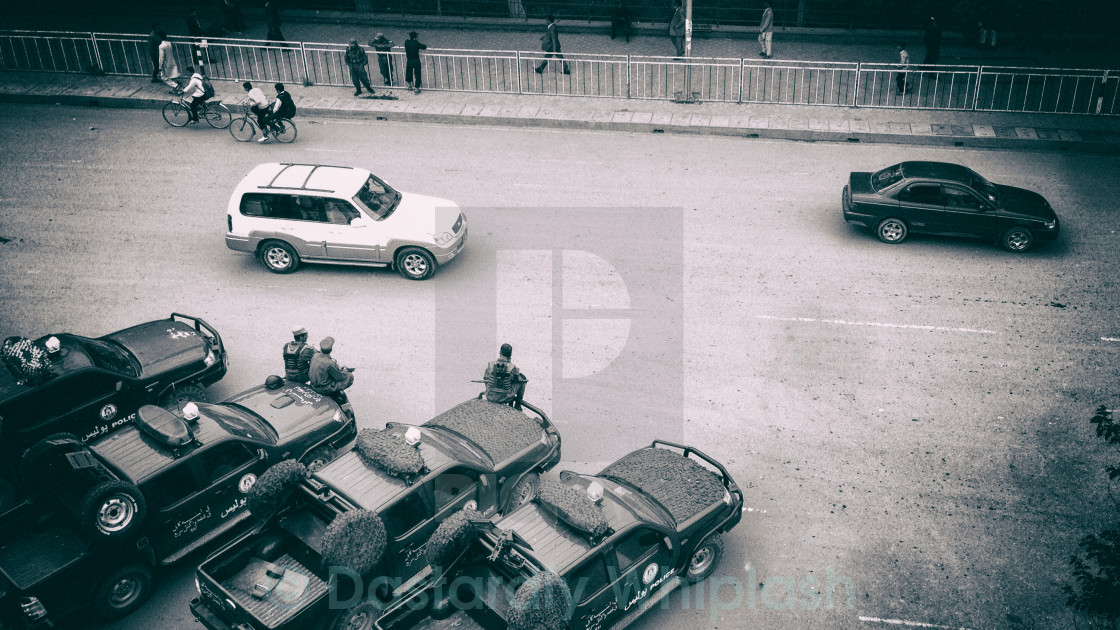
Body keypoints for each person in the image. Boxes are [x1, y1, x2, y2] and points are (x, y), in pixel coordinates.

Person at [483, 343, 527, 408]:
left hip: (490, 396)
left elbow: (485, 378)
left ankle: (491, 392)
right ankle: (518, 404)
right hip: (505, 398)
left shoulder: (491, 364)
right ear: (510, 354)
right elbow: (516, 379)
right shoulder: (513, 367)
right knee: (523, 380)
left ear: (500, 352)